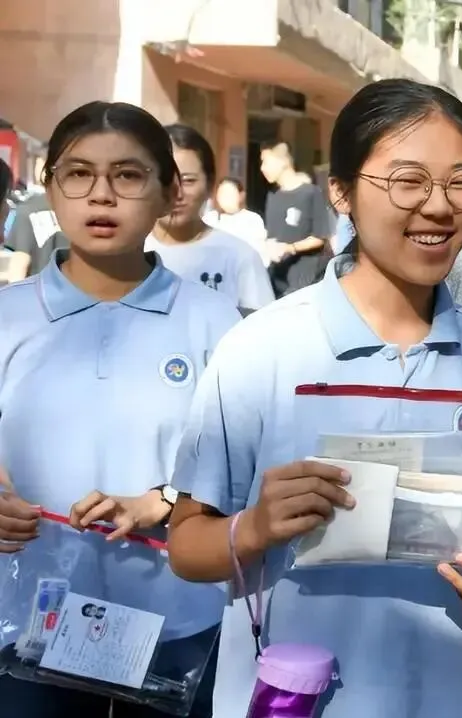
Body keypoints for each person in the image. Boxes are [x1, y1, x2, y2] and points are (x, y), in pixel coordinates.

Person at [165, 79, 462, 718]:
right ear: (341, 192)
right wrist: (254, 527)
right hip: (287, 700)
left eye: (461, 181)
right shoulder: (261, 349)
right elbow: (186, 545)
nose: (439, 207)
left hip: (441, 694)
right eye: (408, 180)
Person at [0, 101, 241, 718]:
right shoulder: (8, 317)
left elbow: (246, 462)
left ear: (167, 194)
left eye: (129, 176)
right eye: (77, 174)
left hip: (178, 625)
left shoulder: (216, 323)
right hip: (25, 622)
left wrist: (162, 500)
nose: (101, 196)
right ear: (49, 190)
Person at [146, 125, 274, 313]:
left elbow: (262, 329)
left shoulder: (239, 256)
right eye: (164, 180)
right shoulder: (125, 256)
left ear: (210, 184)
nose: (176, 193)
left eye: (188, 180)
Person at [259, 141, 332, 297]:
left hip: (305, 282)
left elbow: (320, 237)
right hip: (276, 281)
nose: (262, 168)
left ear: (283, 162)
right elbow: (272, 235)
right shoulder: (272, 196)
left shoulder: (311, 193)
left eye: (266, 161)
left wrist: (290, 248)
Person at [3, 182, 65, 281]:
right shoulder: (83, 209)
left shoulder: (28, 208)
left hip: (40, 290)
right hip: (82, 290)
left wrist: (15, 293)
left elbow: (21, 260)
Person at [205, 176, 268, 259]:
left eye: (229, 193)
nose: (225, 198)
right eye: (222, 193)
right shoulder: (210, 219)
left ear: (241, 195)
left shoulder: (252, 219)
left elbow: (258, 250)